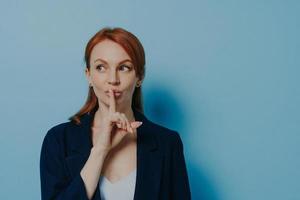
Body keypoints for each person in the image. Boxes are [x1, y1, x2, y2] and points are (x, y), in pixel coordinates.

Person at [39, 27, 191, 200]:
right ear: (88, 75)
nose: (113, 79)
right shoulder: (58, 140)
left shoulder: (167, 143)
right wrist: (100, 151)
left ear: (139, 76)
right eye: (101, 67)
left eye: (124, 67)